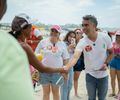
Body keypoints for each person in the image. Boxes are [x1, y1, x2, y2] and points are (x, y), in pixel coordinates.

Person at [63, 15, 113, 100]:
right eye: (82, 25)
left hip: (103, 75)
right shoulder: (82, 42)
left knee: (102, 98)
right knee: (91, 98)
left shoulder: (105, 37)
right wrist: (66, 67)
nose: (83, 28)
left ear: (94, 26)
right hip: (90, 75)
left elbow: (111, 52)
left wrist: (106, 63)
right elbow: (75, 57)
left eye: (86, 25)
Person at [0, 0, 35, 100]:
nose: (32, 30)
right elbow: (42, 67)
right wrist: (63, 69)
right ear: (24, 29)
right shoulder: (22, 45)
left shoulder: (12, 42)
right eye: (30, 27)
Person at [35, 25, 69, 100]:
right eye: (52, 31)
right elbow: (36, 54)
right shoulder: (43, 42)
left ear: (59, 33)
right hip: (44, 72)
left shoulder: (62, 44)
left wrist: (65, 72)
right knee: (46, 93)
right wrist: (37, 69)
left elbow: (66, 59)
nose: (53, 32)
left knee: (56, 93)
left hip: (57, 72)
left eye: (56, 31)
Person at [61, 31, 76, 100]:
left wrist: (75, 47)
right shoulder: (63, 44)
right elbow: (61, 53)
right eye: (70, 36)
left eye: (73, 37)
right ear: (67, 36)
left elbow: (75, 56)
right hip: (64, 66)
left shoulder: (74, 45)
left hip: (71, 67)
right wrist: (69, 47)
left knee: (69, 86)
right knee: (64, 86)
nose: (71, 38)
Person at [73, 29, 85, 98]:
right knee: (69, 79)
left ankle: (76, 93)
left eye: (80, 33)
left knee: (76, 78)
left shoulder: (84, 42)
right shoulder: (71, 41)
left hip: (79, 61)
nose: (78, 34)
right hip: (71, 61)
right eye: (77, 32)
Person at [109, 31, 120, 99]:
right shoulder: (113, 43)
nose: (118, 37)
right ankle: (113, 92)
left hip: (119, 63)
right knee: (112, 78)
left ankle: (119, 93)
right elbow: (110, 53)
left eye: (119, 36)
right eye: (117, 36)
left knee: (119, 79)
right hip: (113, 62)